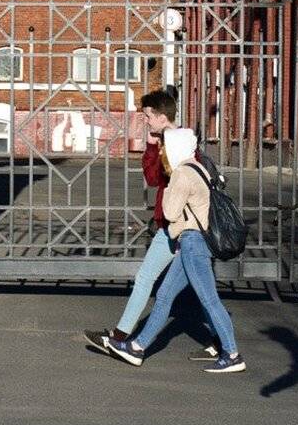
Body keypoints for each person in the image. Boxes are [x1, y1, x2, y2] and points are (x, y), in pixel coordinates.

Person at [84, 89, 216, 361]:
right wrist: (154, 146)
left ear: (161, 116)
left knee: (199, 290)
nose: (145, 121)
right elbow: (153, 177)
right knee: (180, 285)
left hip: (182, 229)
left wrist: (158, 148)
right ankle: (121, 337)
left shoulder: (183, 144)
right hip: (170, 226)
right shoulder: (165, 142)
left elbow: (167, 180)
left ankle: (225, 344)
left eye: (147, 116)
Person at [102, 127, 246, 374]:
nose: (163, 152)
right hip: (192, 242)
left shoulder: (180, 174)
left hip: (193, 244)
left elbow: (169, 212)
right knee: (166, 295)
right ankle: (137, 347)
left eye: (166, 147)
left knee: (209, 299)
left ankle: (232, 354)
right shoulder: (198, 168)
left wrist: (168, 187)